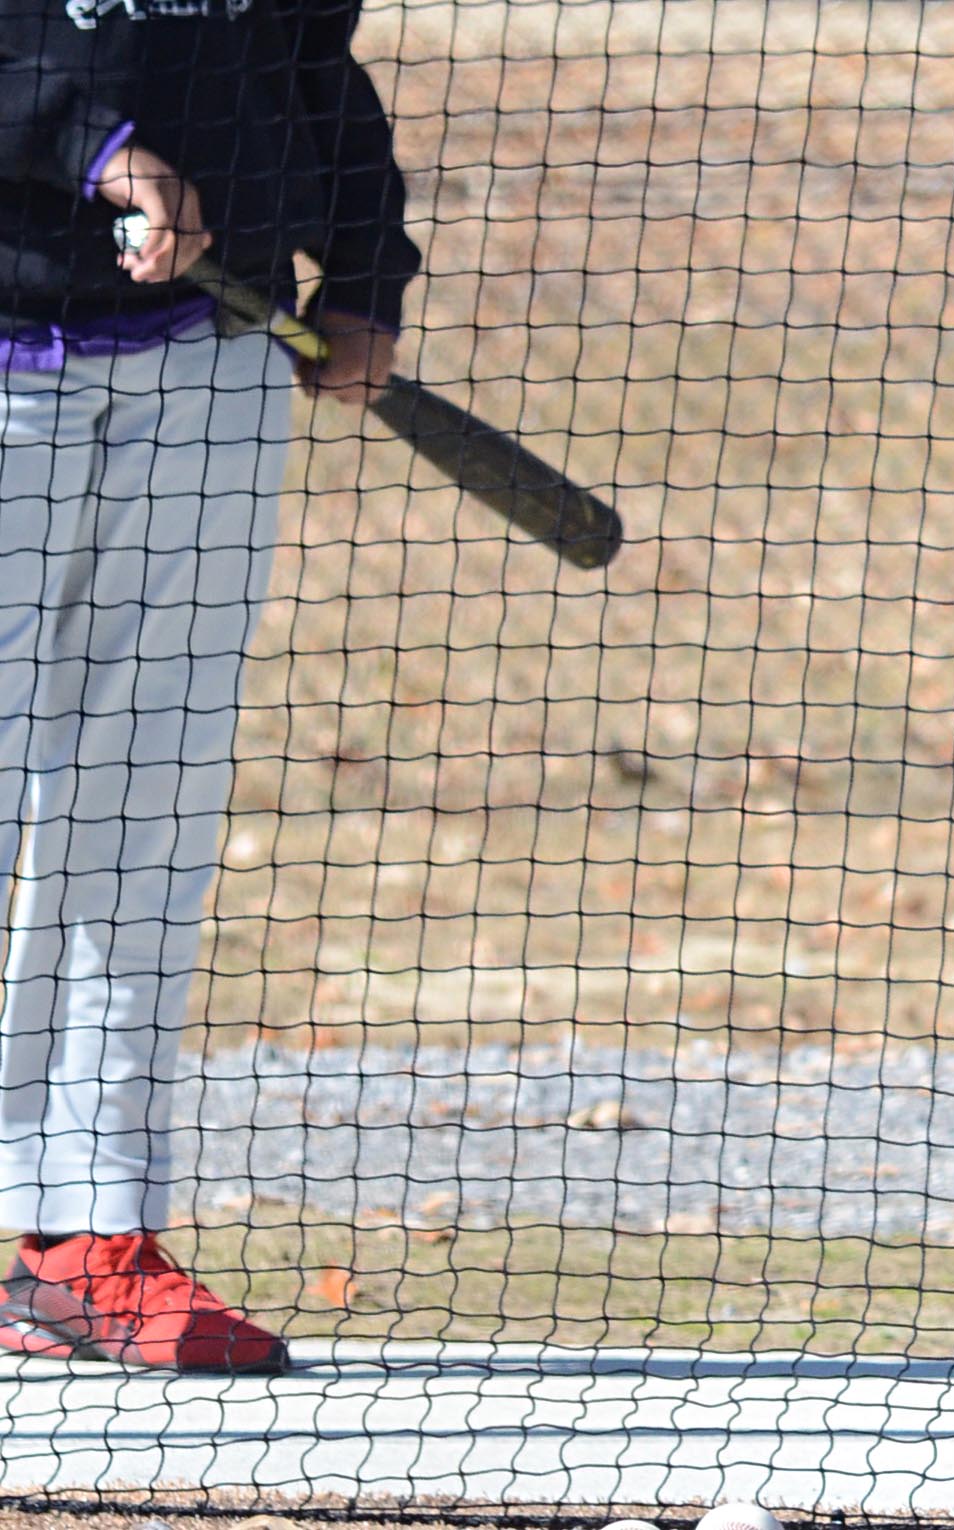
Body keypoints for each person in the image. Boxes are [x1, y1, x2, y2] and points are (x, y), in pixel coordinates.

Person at [0, 0, 421, 1373]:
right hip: (12, 345)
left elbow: (304, 59)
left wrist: (361, 265)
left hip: (210, 354)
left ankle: (87, 1236)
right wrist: (102, 146)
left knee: (148, 806)